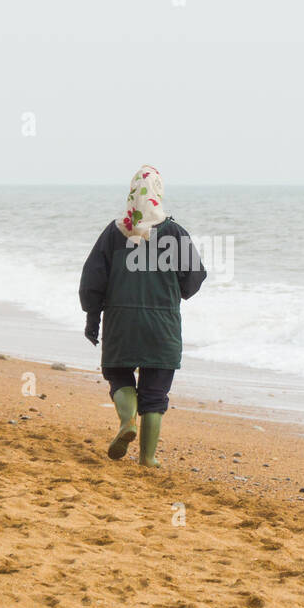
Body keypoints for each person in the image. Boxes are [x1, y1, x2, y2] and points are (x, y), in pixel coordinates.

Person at [79, 165, 206, 466]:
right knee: (155, 391)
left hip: (122, 324)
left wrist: (92, 319)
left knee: (118, 374)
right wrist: (177, 291)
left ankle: (127, 423)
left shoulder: (113, 233)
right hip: (162, 326)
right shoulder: (174, 232)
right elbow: (195, 277)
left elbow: (92, 281)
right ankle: (147, 459)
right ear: (158, 193)